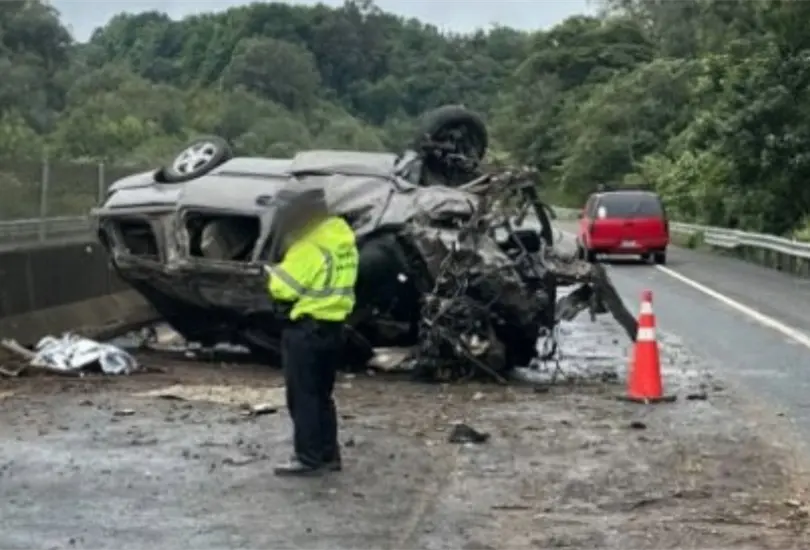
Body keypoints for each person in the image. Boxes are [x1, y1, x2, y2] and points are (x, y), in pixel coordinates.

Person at [264, 187, 359, 477]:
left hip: (305, 329)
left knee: (302, 396)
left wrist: (272, 273)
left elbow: (283, 288)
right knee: (322, 395)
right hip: (334, 326)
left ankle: (307, 458)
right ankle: (329, 455)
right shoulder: (342, 240)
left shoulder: (307, 246)